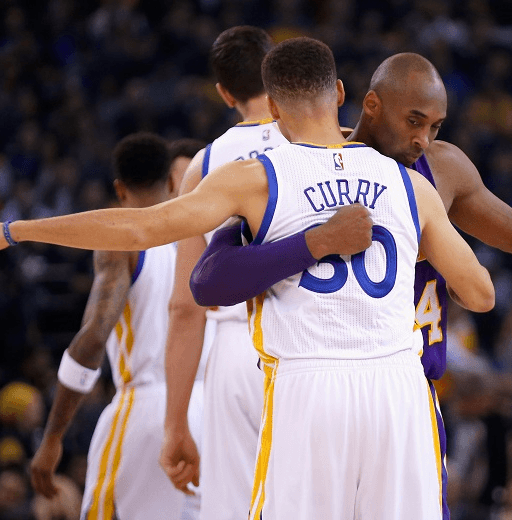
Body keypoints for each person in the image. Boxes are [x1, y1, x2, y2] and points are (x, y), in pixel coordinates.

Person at [0, 36, 495, 520]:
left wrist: (13, 230)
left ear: (273, 107)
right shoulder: (408, 184)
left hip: (309, 386)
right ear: (342, 94)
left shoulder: (255, 178)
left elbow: (141, 228)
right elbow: (479, 293)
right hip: (400, 387)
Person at [187, 52, 512, 520]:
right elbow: (219, 269)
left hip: (410, 392)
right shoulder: (310, 168)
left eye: (434, 126)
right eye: (413, 123)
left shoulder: (441, 168)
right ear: (370, 105)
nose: (422, 140)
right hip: (322, 388)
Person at [159, 26, 371, 520]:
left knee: (237, 508)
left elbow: (187, 306)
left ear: (225, 93)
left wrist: (175, 424)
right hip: (334, 346)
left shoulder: (207, 164)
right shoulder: (344, 144)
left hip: (239, 348)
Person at [27, 132, 200, 520]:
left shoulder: (122, 240)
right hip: (211, 411)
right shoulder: (208, 237)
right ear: (173, 183)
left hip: (148, 406)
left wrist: (52, 437)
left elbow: (92, 340)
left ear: (119, 189)